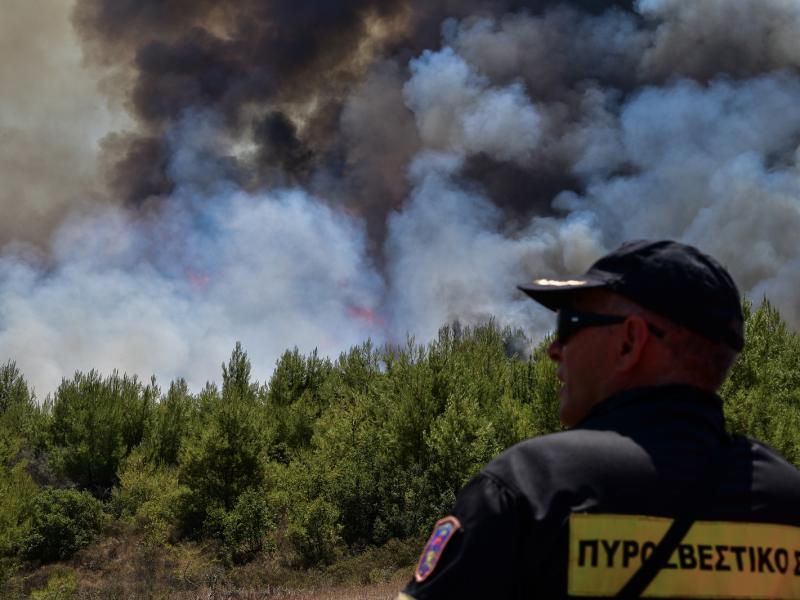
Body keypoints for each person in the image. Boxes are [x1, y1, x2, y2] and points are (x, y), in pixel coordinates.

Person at [398, 239, 800, 599]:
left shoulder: (530, 488)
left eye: (569, 325)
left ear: (630, 342)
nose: (554, 349)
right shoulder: (787, 501)